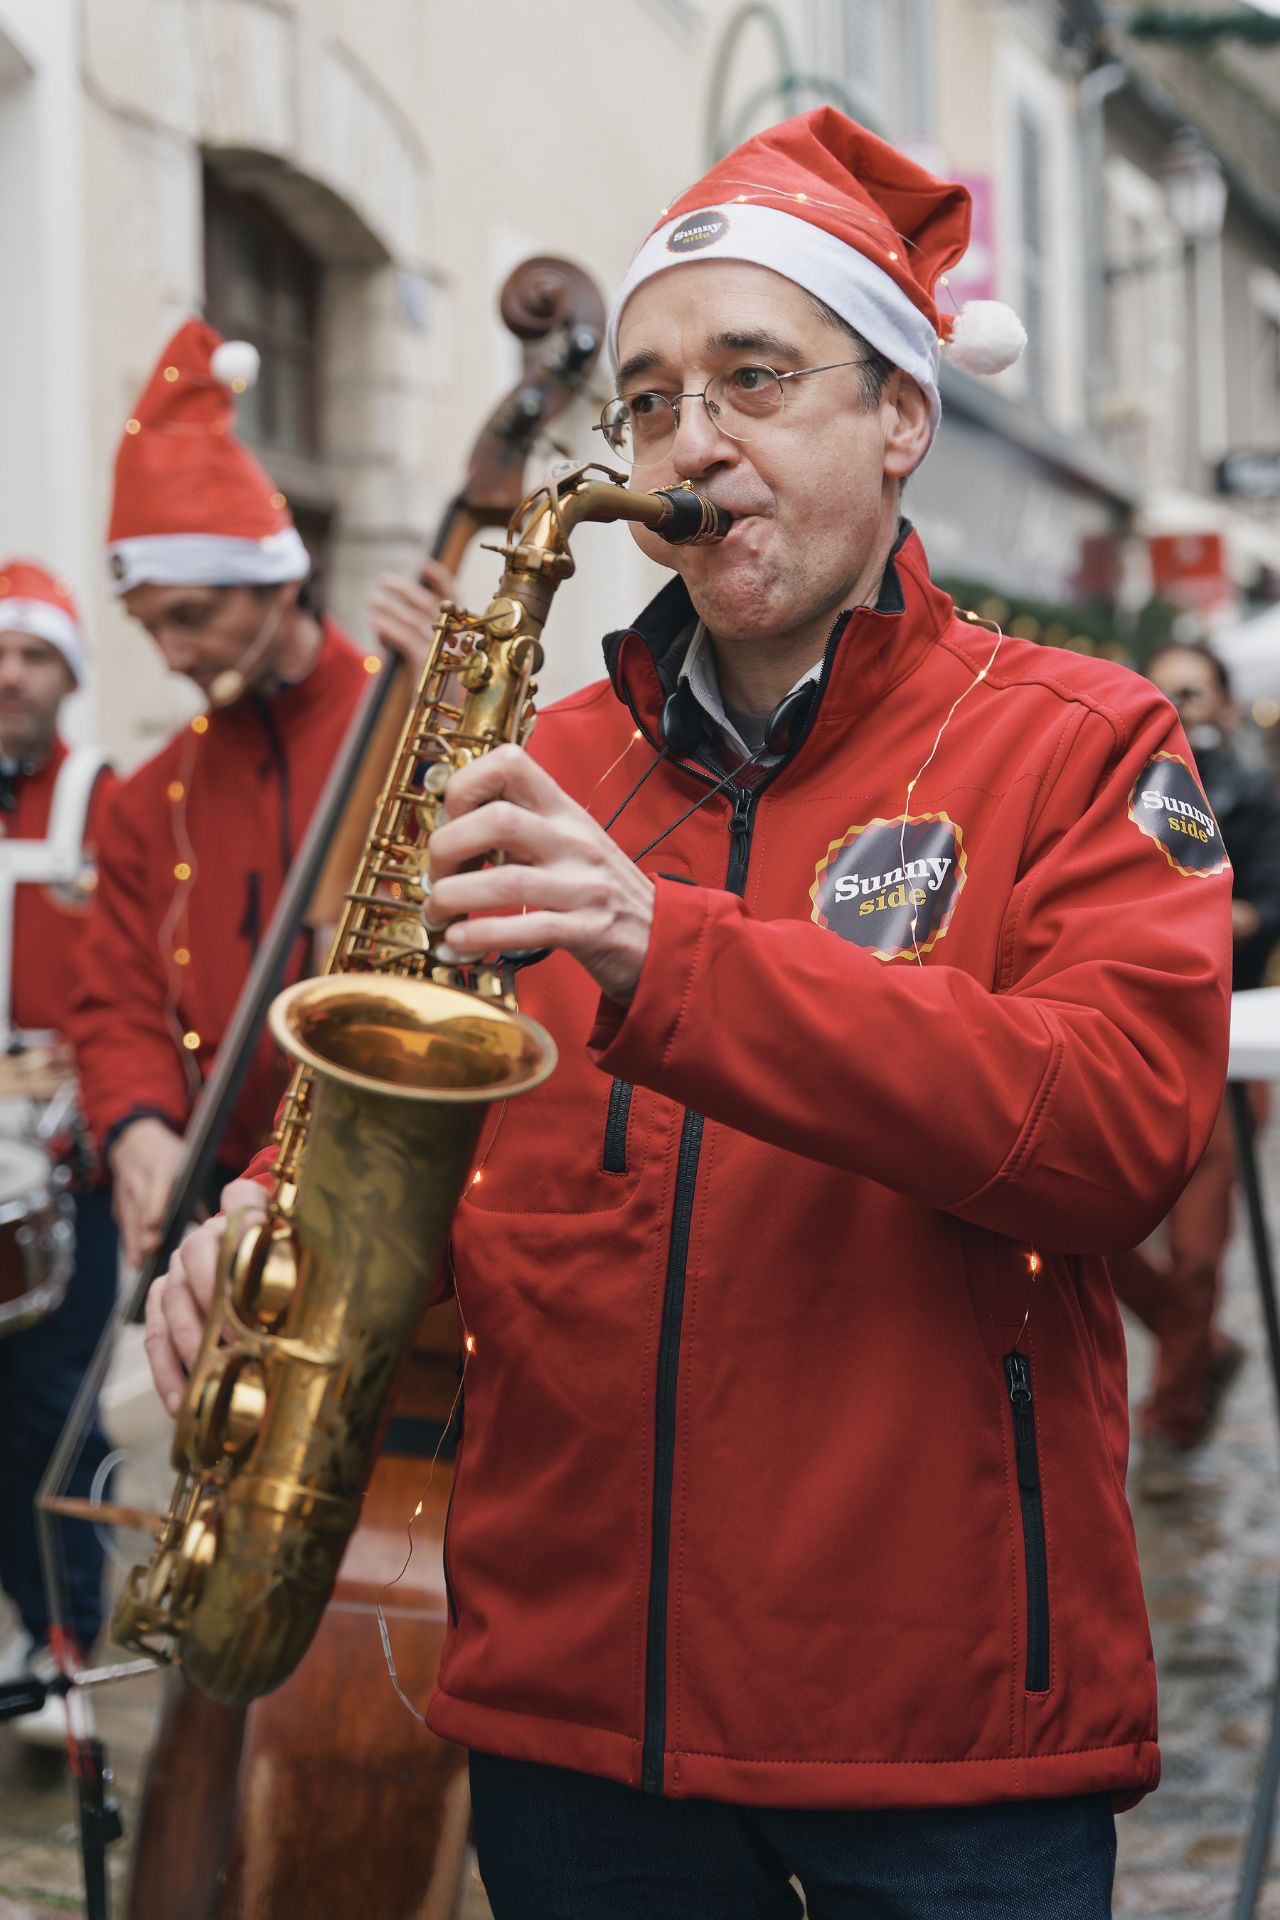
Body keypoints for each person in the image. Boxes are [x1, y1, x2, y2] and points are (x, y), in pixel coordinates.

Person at [144, 113, 1231, 1918]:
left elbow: (1115, 1137)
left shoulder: (1083, 738)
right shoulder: (531, 765)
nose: (690, 440)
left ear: (901, 419)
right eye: (648, 398)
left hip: (938, 1745)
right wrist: (274, 1221)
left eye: (754, 377)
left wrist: (674, 950)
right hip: (573, 1730)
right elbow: (383, 1118)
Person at [70, 320, 448, 1270]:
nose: (173, 655)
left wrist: (441, 723)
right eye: (151, 627)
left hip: (406, 1192)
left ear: (277, 584)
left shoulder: (398, 722)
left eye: (192, 617)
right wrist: (140, 1129)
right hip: (227, 1203)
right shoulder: (143, 799)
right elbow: (116, 1002)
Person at [1109, 641, 1280, 1496]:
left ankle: (1171, 1422)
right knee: (1093, 1233)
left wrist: (1203, 909)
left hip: (1222, 1053)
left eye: (1194, 690)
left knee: (1202, 1249)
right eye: (1166, 688)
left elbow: (1265, 905)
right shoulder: (1117, 782)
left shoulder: (1252, 794)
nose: (1181, 702)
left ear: (1217, 699)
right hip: (1132, 1043)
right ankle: (1202, 1351)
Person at [0, 562, 116, 1744]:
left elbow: (138, 974)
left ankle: (66, 1641)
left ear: (69, 672)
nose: (9, 675)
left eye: (31, 655)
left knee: (59, 1421)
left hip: (65, 1175)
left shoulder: (104, 796)